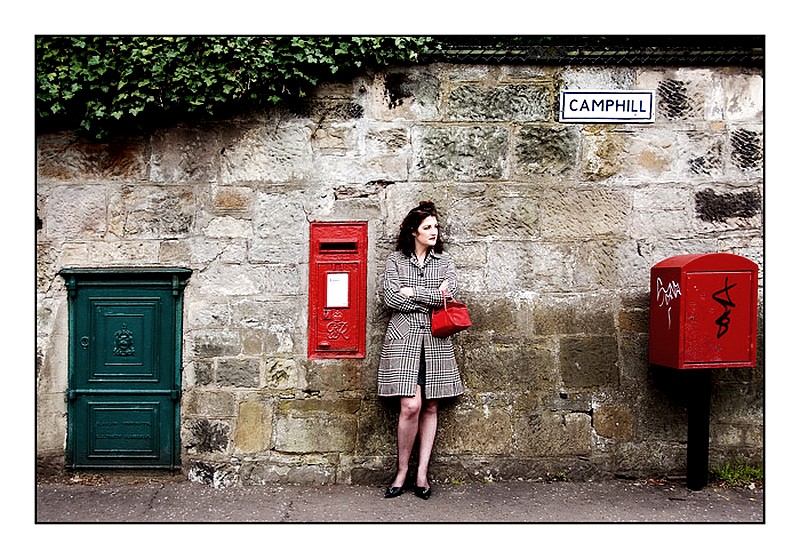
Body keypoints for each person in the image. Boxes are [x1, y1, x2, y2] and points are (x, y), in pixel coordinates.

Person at [377, 200, 465, 500]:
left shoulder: (444, 261)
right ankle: (401, 471)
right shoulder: (395, 260)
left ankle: (422, 474)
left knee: (430, 406)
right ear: (413, 231)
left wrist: (412, 291)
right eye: (427, 227)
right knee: (410, 405)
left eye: (436, 227)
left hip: (436, 340)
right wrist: (431, 296)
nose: (434, 232)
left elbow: (448, 297)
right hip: (403, 340)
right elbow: (390, 298)